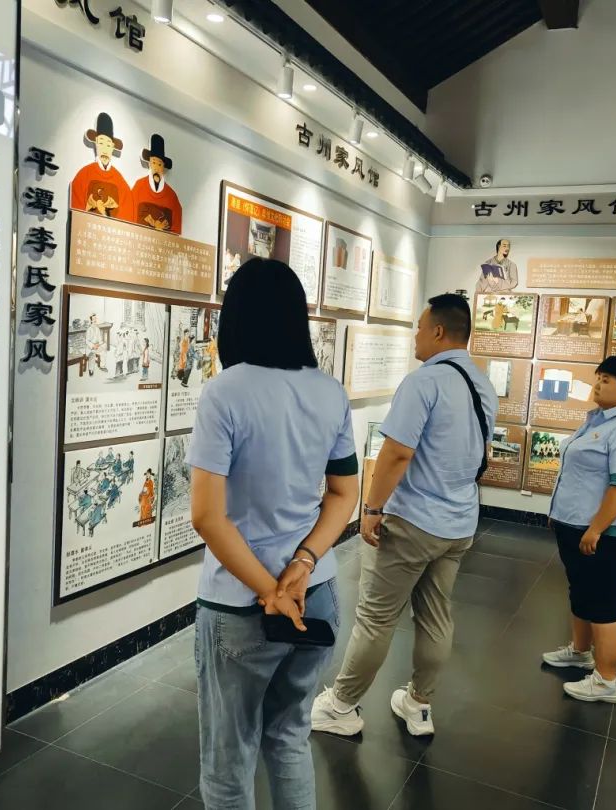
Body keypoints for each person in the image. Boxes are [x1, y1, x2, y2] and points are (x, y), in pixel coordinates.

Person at [189, 258, 359, 810]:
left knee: (228, 757)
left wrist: (270, 591)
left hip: (241, 603)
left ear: (235, 317)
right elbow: (343, 494)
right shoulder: (330, 392)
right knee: (289, 737)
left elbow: (207, 517)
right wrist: (303, 564)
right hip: (318, 594)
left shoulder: (224, 392)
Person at [312, 293, 498, 738]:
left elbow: (396, 454)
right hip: (459, 524)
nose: (415, 336)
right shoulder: (482, 384)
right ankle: (419, 703)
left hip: (413, 521)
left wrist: (372, 508)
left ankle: (341, 705)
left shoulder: (423, 382)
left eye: (419, 327)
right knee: (436, 616)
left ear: (438, 331)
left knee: (376, 618)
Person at [541, 354, 616, 704]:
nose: (598, 384)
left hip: (604, 533)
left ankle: (607, 680)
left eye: (606, 380)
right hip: (575, 524)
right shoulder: (598, 419)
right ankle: (580, 652)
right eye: (599, 377)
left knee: (604, 601)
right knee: (581, 590)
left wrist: (596, 529)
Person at [71, 112, 131, 218]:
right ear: (95, 143)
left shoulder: (121, 182)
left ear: (113, 147)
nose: (104, 150)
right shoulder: (83, 175)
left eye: (108, 145)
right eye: (101, 143)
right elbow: (76, 215)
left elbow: (128, 216)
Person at [131, 133, 183, 234]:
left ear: (163, 167)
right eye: (154, 163)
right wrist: (154, 225)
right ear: (149, 163)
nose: (156, 168)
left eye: (159, 164)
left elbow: (176, 232)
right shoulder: (139, 187)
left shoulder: (172, 197)